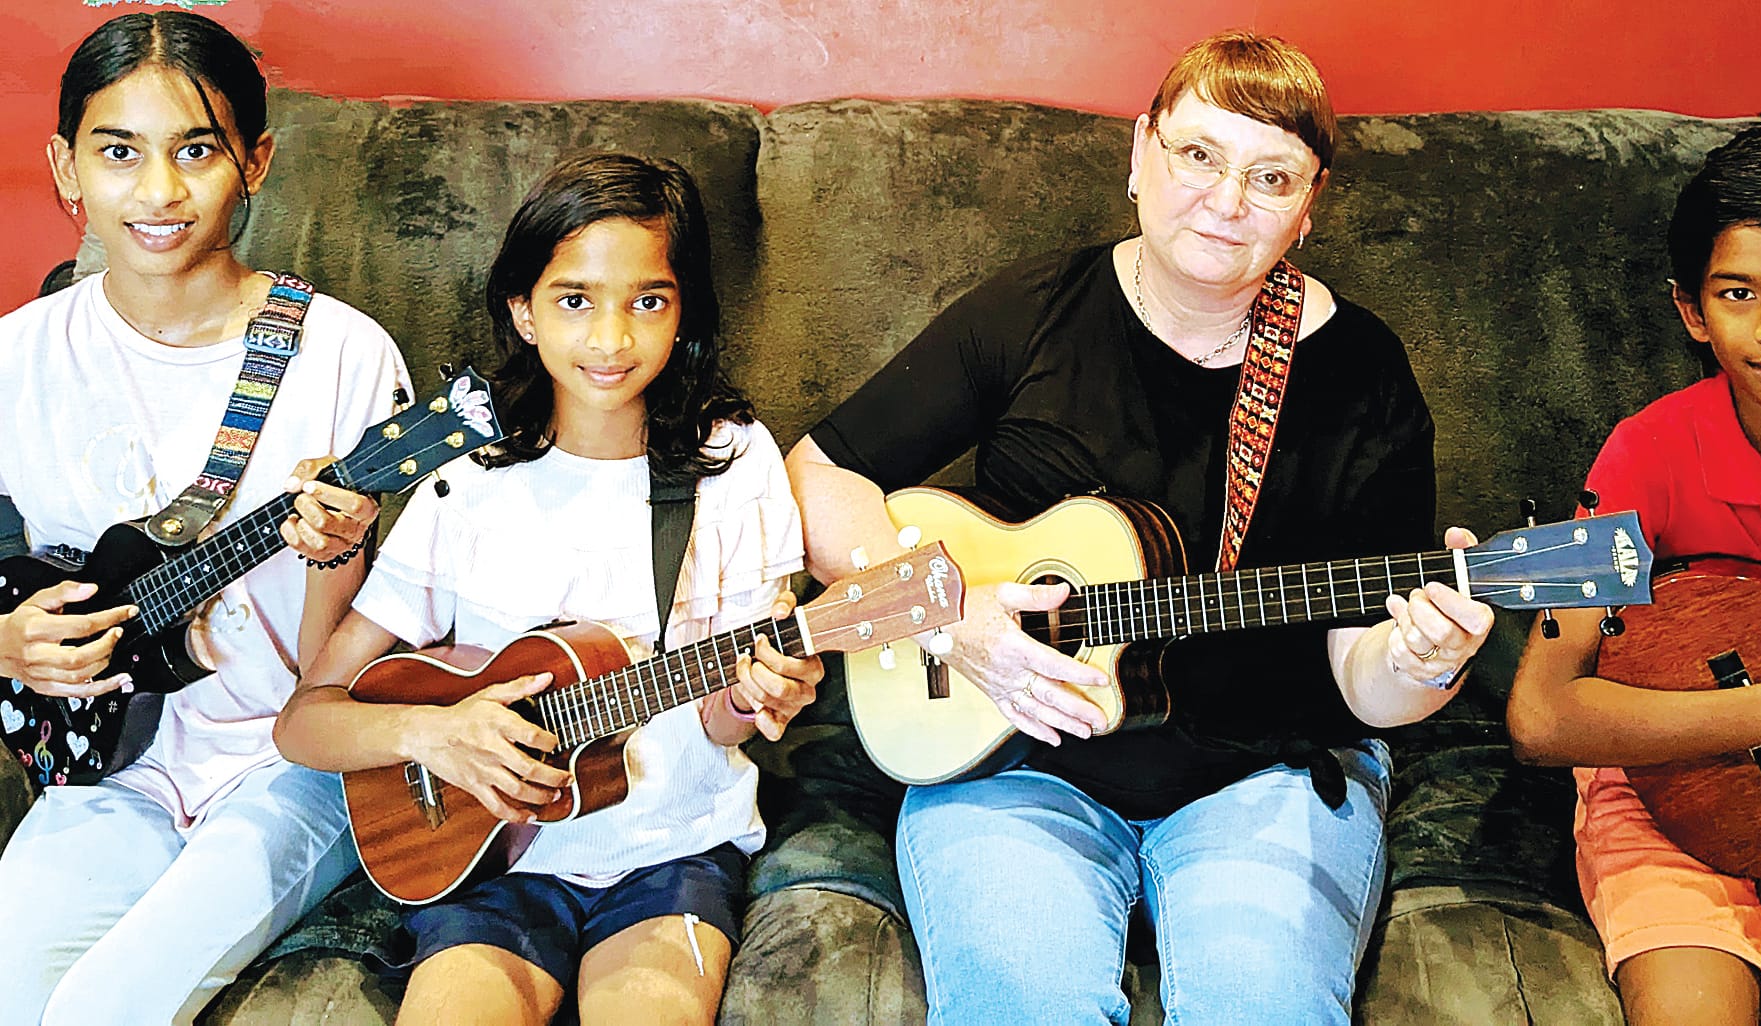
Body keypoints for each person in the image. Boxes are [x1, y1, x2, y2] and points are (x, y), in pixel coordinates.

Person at [784, 31, 1494, 1024]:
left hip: (1265, 774)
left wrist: (1423, 663)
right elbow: (821, 475)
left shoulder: (1361, 371)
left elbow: (1360, 676)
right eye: (1197, 155)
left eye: (1270, 175)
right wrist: (944, 610)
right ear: (1139, 154)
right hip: (1008, 762)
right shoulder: (1030, 312)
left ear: (1309, 204)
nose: (1228, 198)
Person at [276, 152, 822, 1026]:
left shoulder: (734, 461)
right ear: (522, 311)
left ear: (684, 316)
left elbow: (721, 719)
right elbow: (305, 720)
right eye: (575, 300)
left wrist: (765, 698)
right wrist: (438, 734)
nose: (611, 340)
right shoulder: (468, 477)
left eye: (648, 301)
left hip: (670, 850)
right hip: (491, 856)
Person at [0, 11, 412, 1024]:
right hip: (106, 761)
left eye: (196, 151)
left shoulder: (344, 357)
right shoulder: (19, 359)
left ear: (257, 161)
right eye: (118, 153)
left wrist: (338, 549)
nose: (157, 192)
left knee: (104, 1007)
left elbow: (342, 673)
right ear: (65, 167)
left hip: (288, 765)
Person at [1507, 121, 1761, 1026]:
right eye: (1738, 293)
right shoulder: (1639, 456)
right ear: (1692, 311)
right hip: (1659, 802)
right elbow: (1541, 713)